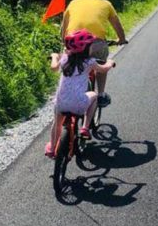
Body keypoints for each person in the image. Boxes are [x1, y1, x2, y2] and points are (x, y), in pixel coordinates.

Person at [45, 29, 116, 158]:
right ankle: (85, 127)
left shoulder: (65, 59)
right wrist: (110, 63)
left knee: (57, 124)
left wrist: (55, 56)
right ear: (87, 48)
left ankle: (52, 147)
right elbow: (103, 69)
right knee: (94, 95)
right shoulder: (89, 62)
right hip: (78, 104)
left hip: (61, 103)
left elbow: (53, 67)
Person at [61, 0, 127, 107]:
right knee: (100, 66)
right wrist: (121, 39)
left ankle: (66, 93)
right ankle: (101, 95)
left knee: (71, 65)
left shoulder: (73, 3)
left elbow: (64, 27)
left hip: (73, 44)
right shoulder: (106, 3)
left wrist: (64, 43)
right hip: (96, 44)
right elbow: (117, 24)